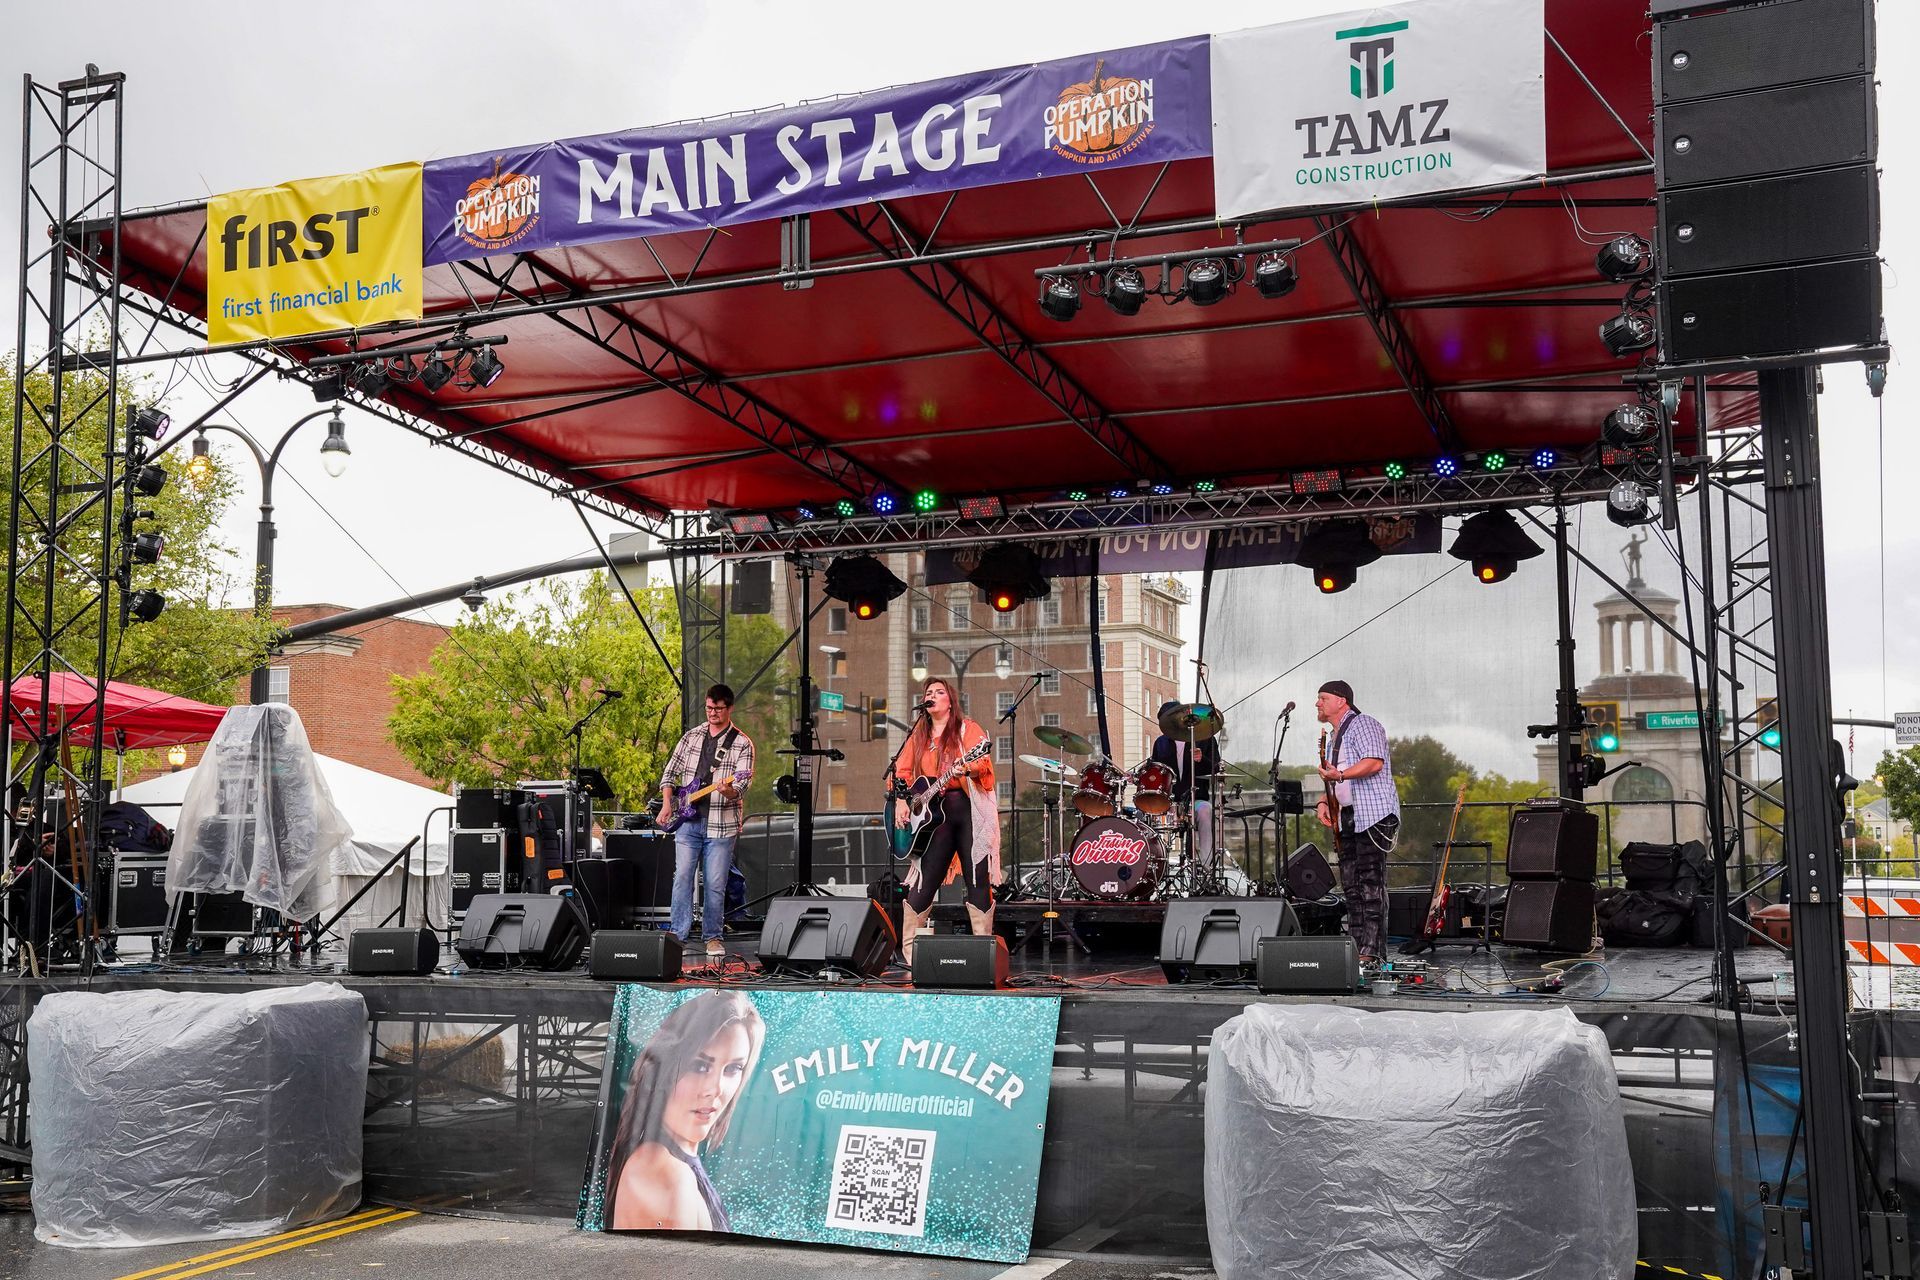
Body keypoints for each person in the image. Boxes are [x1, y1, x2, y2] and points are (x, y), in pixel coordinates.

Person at [607, 991, 765, 1232]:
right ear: (664, 1069)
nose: (716, 1089)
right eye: (700, 1066)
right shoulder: (668, 1176)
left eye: (733, 1068)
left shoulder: (670, 1165)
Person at [892, 677, 1000, 962]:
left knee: (977, 878)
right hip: (933, 820)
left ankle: (983, 955)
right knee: (924, 880)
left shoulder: (967, 729)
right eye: (929, 692)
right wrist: (902, 801)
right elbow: (901, 772)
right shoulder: (918, 735)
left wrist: (966, 769)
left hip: (966, 813)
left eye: (939, 692)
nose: (933, 695)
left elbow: (982, 764)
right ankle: (912, 955)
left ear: (950, 701)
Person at [659, 684, 755, 962]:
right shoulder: (691, 736)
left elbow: (741, 786)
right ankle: (677, 935)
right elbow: (670, 772)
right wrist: (667, 803)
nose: (712, 713)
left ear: (730, 708)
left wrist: (729, 790)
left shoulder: (742, 743)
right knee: (682, 878)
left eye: (718, 709)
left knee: (715, 883)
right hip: (687, 822)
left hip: (721, 825)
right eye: (709, 708)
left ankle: (713, 936)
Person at [1313, 679, 1399, 966]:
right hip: (1347, 815)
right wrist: (1323, 801)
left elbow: (1374, 762)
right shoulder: (1333, 737)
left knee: (1371, 883)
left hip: (1373, 813)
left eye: (1323, 698)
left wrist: (1339, 775)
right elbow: (1334, 777)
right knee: (1351, 885)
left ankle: (1372, 951)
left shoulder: (1363, 724)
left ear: (1341, 700)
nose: (1317, 703)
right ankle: (1356, 948)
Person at [1150, 702, 1220, 867]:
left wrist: (1202, 759)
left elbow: (1216, 769)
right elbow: (1154, 770)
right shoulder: (1160, 743)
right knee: (1143, 813)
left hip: (1196, 799)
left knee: (1205, 811)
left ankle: (1207, 866)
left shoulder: (1204, 738)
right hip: (1168, 802)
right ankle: (1154, 866)